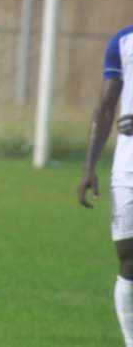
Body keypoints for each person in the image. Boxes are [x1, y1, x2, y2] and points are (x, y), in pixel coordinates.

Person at [78, 25, 133, 346]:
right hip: (128, 159)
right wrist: (88, 166)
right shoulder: (122, 41)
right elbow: (105, 106)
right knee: (128, 254)